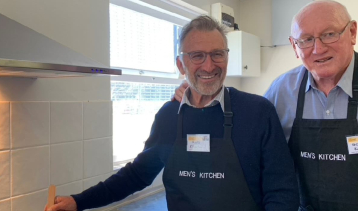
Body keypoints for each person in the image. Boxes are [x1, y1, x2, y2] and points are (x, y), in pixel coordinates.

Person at [45, 15, 299, 211]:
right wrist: (78, 202)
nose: (209, 65)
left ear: (226, 58)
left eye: (217, 54)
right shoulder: (169, 116)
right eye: (197, 56)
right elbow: (136, 175)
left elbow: (282, 190)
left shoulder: (257, 112)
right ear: (181, 64)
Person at [173, 1, 358, 210]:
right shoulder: (281, 91)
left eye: (329, 35)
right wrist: (195, 93)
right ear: (294, 46)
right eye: (306, 39)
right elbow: (240, 125)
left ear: (352, 32)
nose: (318, 49)